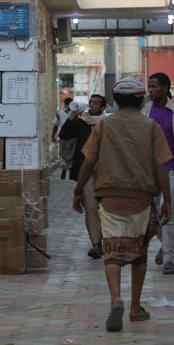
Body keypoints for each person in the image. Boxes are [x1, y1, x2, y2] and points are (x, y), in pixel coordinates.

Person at [73, 77, 173, 331]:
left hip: (109, 197)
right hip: (142, 197)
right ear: (141, 100)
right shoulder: (151, 127)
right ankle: (135, 308)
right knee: (139, 253)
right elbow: (161, 166)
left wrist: (77, 191)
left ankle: (116, 298)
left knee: (112, 250)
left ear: (116, 100)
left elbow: (88, 162)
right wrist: (167, 200)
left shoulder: (104, 126)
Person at [141, 72, 174, 274]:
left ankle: (169, 258)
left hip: (170, 169)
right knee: (154, 213)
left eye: (154, 87)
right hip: (148, 171)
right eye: (149, 87)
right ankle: (165, 246)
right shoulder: (144, 112)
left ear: (166, 88)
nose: (150, 90)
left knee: (167, 211)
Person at [59, 94, 108, 258]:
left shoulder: (107, 123)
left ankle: (107, 241)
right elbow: (64, 135)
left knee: (106, 207)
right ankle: (96, 244)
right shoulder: (81, 122)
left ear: (102, 107)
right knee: (91, 206)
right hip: (85, 171)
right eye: (91, 102)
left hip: (106, 170)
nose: (92, 105)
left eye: (96, 103)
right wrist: (72, 116)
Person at [52, 97, 75, 179]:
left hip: (62, 136)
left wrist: (53, 136)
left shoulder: (59, 113)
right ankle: (70, 166)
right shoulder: (74, 113)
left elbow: (55, 125)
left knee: (62, 152)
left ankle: (63, 164)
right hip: (73, 136)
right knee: (71, 153)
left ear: (64, 103)